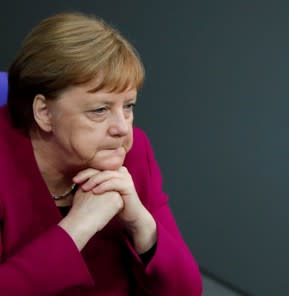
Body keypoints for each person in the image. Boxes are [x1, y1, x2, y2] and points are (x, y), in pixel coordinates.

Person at [0, 12, 202, 295]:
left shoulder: (131, 152)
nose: (122, 128)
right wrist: (79, 225)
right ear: (44, 113)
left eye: (128, 106)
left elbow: (186, 290)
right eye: (100, 110)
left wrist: (141, 223)